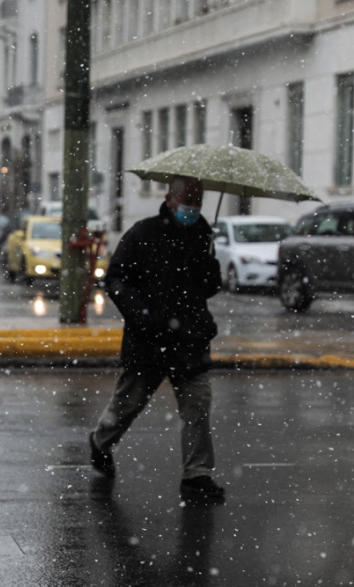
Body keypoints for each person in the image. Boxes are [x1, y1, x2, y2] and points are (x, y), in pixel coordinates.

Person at [88, 176, 225, 503]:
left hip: (189, 339)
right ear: (170, 199)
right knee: (129, 403)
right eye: (188, 202)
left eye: (198, 204)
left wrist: (209, 266)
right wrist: (142, 315)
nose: (193, 209)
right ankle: (100, 442)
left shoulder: (203, 235)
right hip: (150, 338)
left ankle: (197, 475)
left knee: (197, 406)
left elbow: (206, 287)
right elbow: (117, 278)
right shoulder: (143, 233)